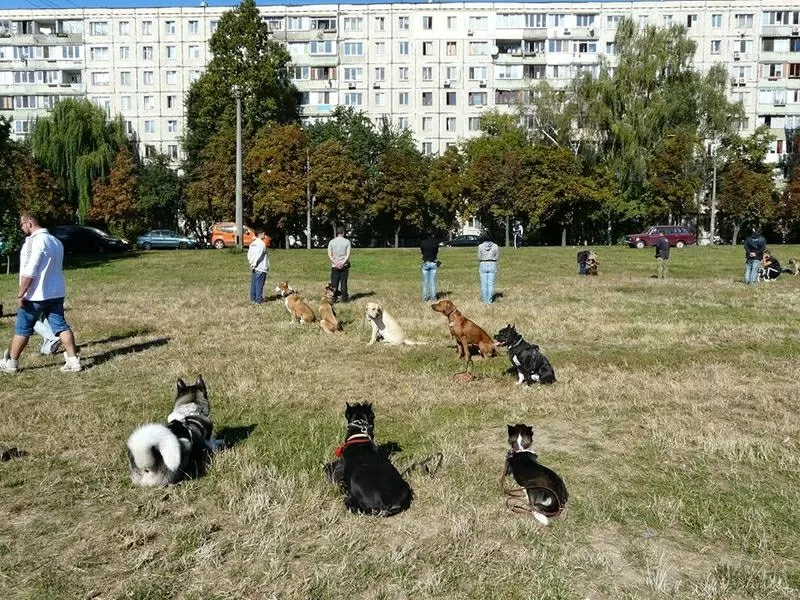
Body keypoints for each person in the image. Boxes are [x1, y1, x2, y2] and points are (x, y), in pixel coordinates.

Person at [0, 212, 81, 373]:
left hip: (36, 294)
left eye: (22, 225)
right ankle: (73, 360)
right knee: (61, 326)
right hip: (56, 292)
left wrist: (21, 293)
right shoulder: (56, 241)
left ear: (29, 223)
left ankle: (11, 363)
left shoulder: (34, 241)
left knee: (22, 329)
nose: (22, 228)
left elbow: (30, 271)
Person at [327, 225, 351, 303]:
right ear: (343, 232)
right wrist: (342, 262)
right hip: (344, 266)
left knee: (334, 284)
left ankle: (333, 299)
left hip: (335, 266)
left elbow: (330, 254)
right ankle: (344, 299)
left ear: (337, 233)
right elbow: (348, 255)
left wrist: (336, 263)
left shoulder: (331, 242)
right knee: (343, 283)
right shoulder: (347, 242)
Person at [247, 230, 270, 304]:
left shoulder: (253, 243)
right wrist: (254, 263)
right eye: (264, 233)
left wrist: (251, 263)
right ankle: (259, 300)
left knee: (254, 283)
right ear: (260, 234)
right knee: (259, 284)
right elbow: (258, 255)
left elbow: (249, 254)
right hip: (260, 266)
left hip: (254, 266)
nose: (265, 235)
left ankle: (253, 298)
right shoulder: (261, 244)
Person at [477, 232, 499, 304]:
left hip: (483, 263)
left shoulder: (480, 246)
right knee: (490, 283)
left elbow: (479, 257)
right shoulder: (495, 246)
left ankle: (484, 300)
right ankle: (489, 300)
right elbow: (497, 256)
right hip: (492, 263)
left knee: (483, 283)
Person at [420, 231, 439, 302]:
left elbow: (422, 251)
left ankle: (424, 299)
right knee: (432, 282)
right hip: (433, 262)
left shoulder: (423, 242)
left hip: (425, 262)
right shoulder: (435, 242)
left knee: (425, 282)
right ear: (432, 235)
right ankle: (433, 298)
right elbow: (436, 251)